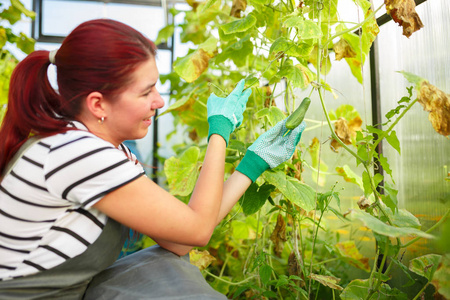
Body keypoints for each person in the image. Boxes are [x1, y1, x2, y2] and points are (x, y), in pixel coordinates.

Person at [0, 19, 306, 299]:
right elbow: (198, 231)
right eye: (146, 92)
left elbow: (182, 239)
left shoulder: (102, 148)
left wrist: (252, 163)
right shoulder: (77, 152)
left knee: (165, 262)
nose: (159, 101)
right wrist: (220, 132)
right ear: (97, 104)